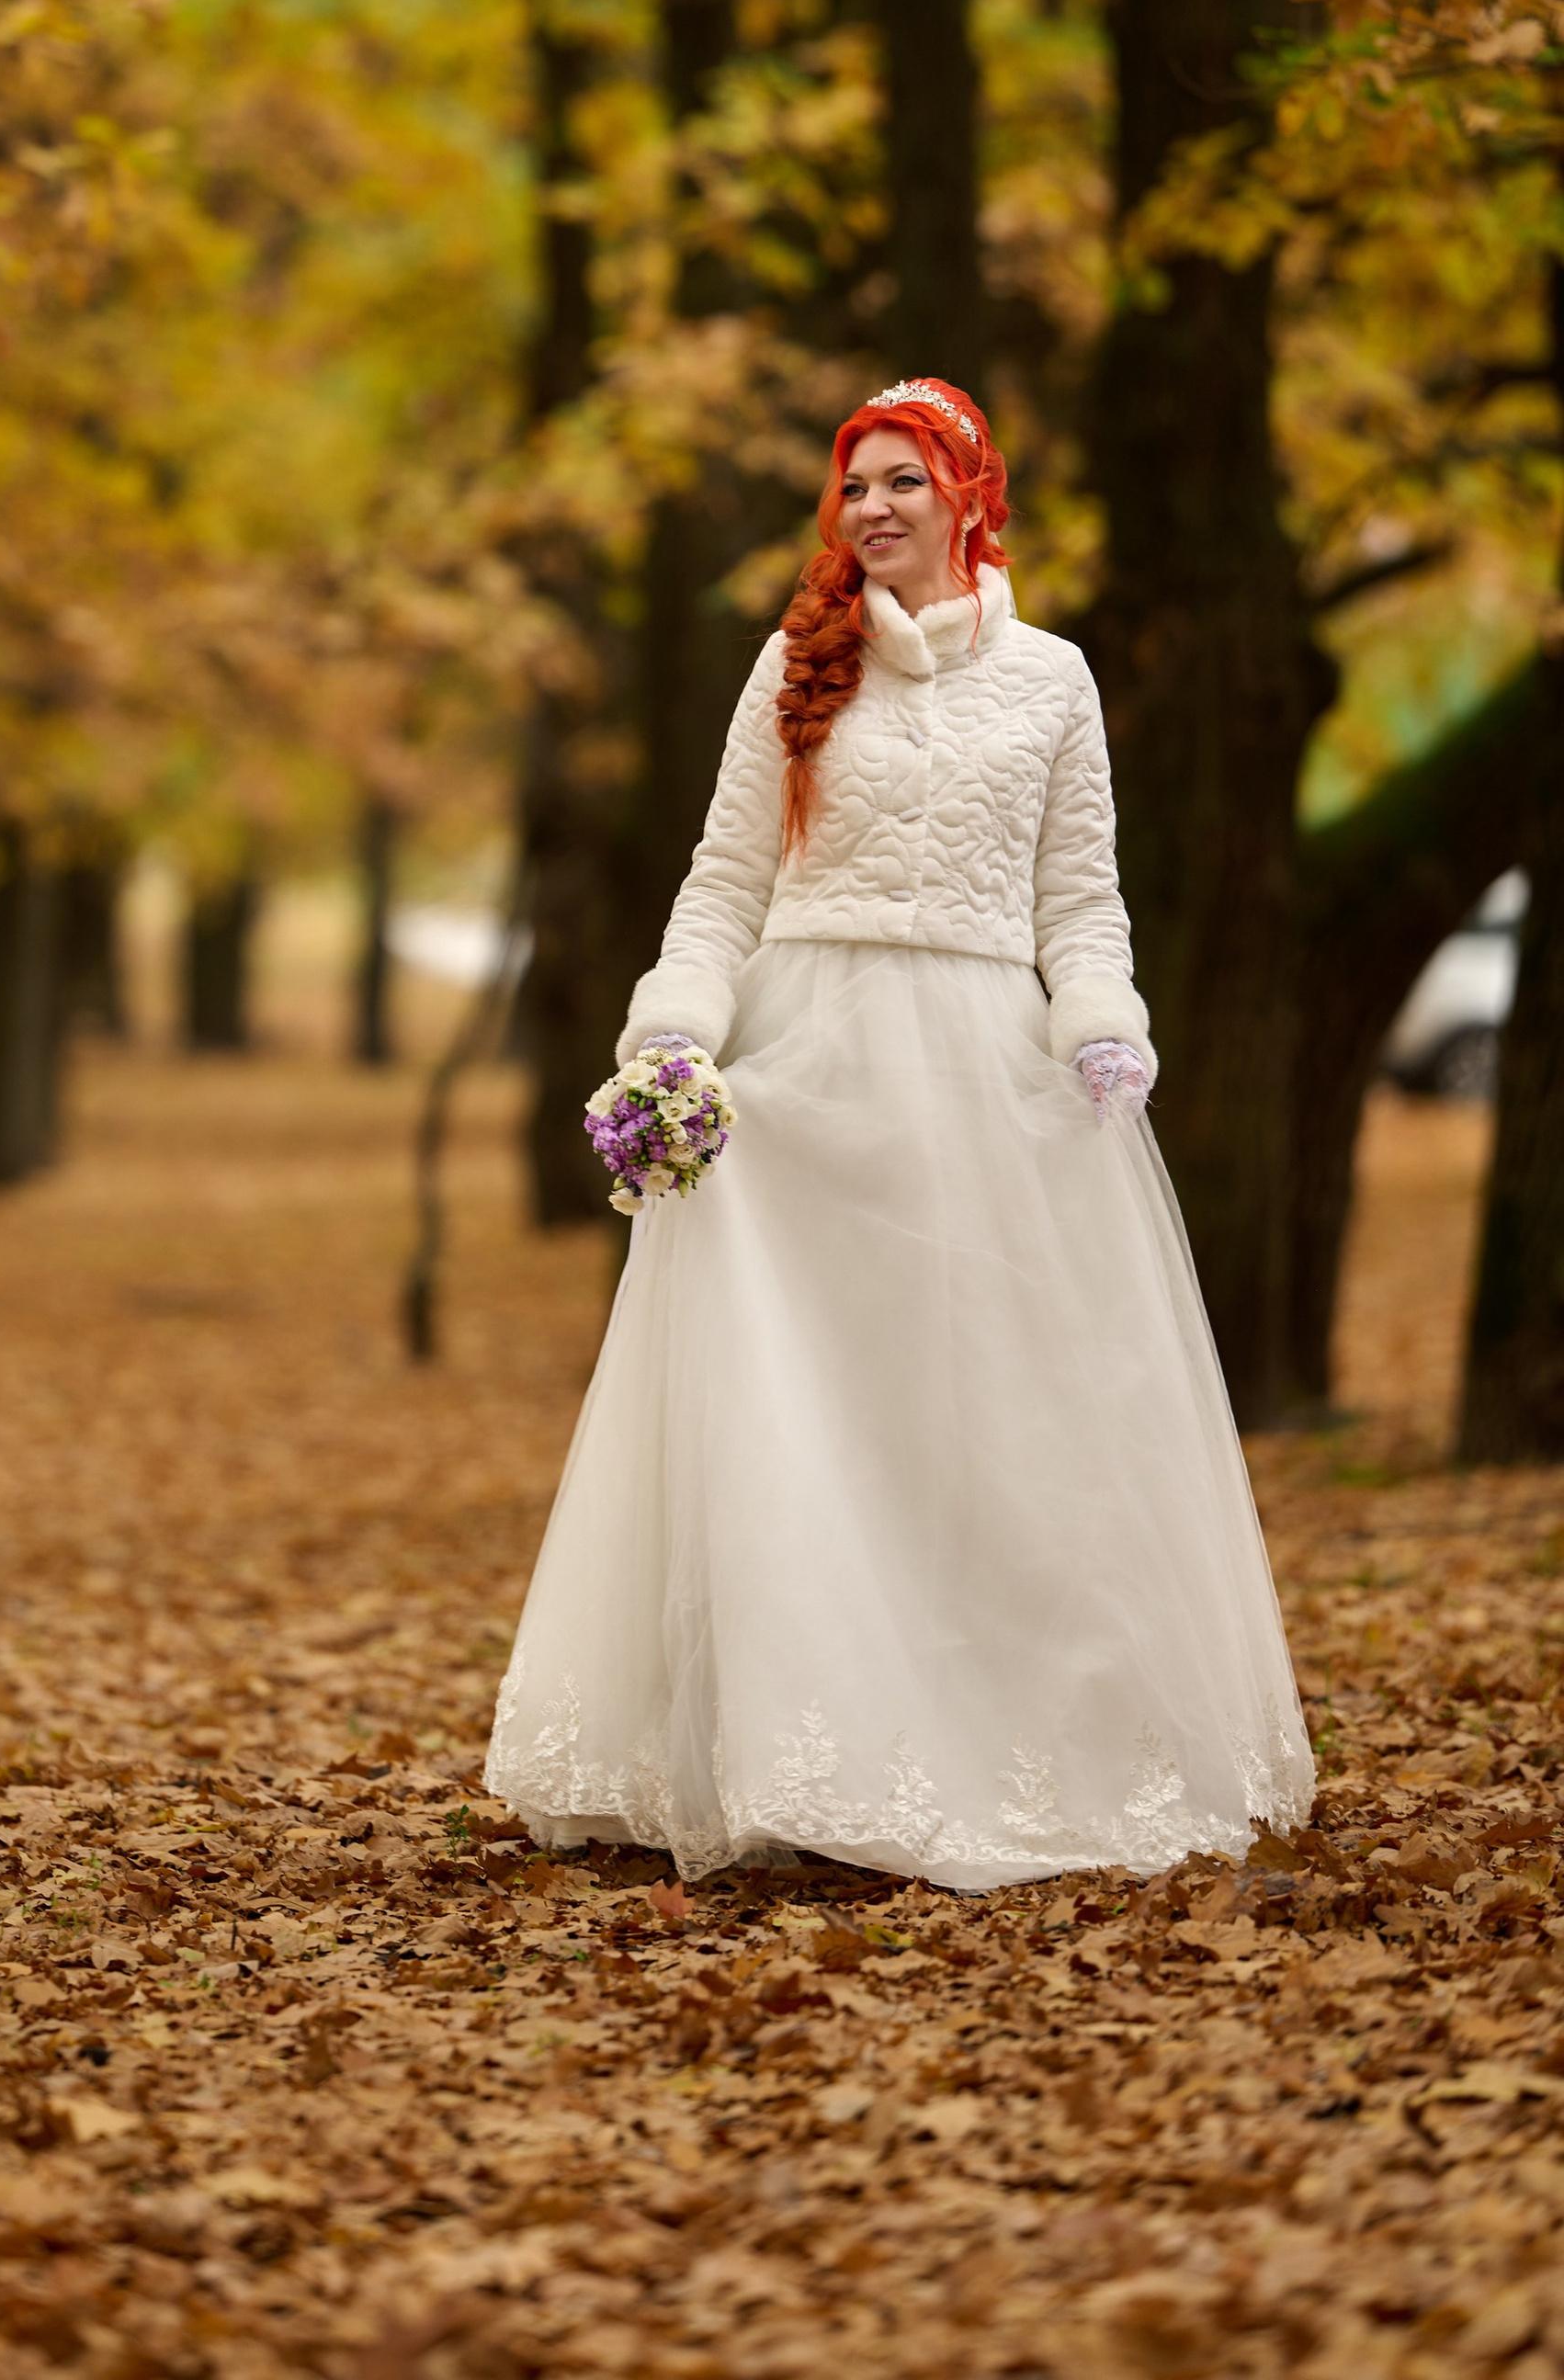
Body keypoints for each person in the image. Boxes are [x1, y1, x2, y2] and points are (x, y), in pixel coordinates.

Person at [485, 377, 1313, 1891]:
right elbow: (726, 879)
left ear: (969, 496)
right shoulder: (798, 666)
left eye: (900, 483)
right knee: (809, 1417)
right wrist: (673, 1037)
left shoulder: (1055, 679)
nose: (870, 509)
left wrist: (1101, 1022)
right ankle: (800, 1753)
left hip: (991, 1088)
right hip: (810, 1082)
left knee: (989, 1417)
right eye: (851, 485)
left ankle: (999, 1736)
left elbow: (1082, 896)